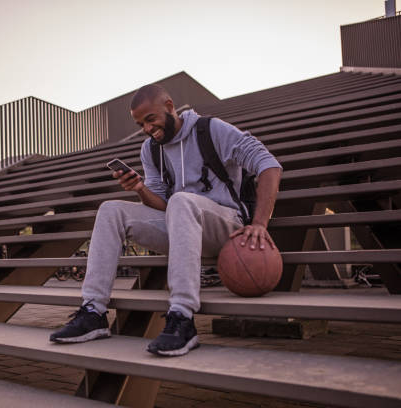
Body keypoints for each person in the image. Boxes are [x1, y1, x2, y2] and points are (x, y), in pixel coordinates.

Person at [49, 84, 282, 356]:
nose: (147, 129)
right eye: (140, 124)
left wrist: (259, 224)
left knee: (181, 200)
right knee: (111, 209)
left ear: (170, 106)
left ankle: (182, 317)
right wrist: (140, 190)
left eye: (151, 119)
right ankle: (93, 312)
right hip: (183, 226)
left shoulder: (210, 129)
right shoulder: (151, 150)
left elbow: (269, 165)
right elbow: (160, 204)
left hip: (227, 227)